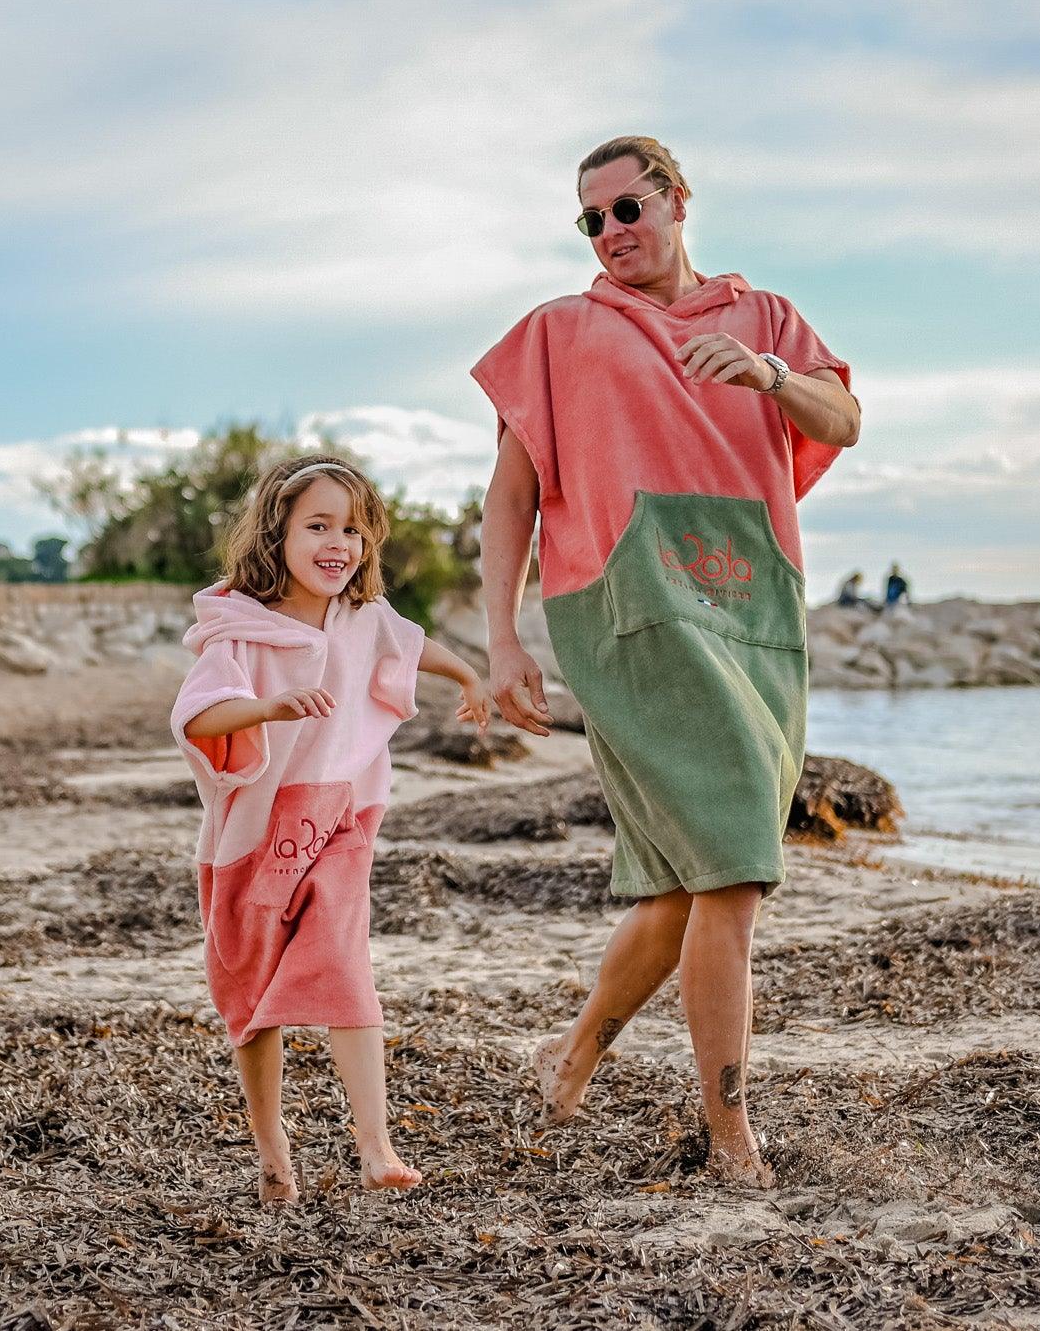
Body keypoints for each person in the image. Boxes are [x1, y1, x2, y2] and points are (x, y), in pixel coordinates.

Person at [472, 136, 860, 1187]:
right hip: (627, 607)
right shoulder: (560, 331)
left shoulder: (764, 315)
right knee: (734, 866)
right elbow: (511, 495)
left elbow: (844, 417)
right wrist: (501, 637)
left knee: (687, 884)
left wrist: (769, 374)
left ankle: (572, 1054)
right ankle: (730, 1133)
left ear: (677, 200)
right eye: (591, 220)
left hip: (755, 601)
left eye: (627, 208)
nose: (610, 233)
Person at [172, 455, 491, 1205]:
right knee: (250, 994)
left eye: (352, 530)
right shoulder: (240, 630)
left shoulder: (362, 616)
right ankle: (272, 1149)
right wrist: (266, 707)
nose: (338, 543)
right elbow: (198, 715)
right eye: (318, 525)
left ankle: (376, 1146)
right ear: (277, 533)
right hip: (252, 835)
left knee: (347, 967)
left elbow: (409, 643)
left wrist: (469, 676)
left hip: (339, 819)